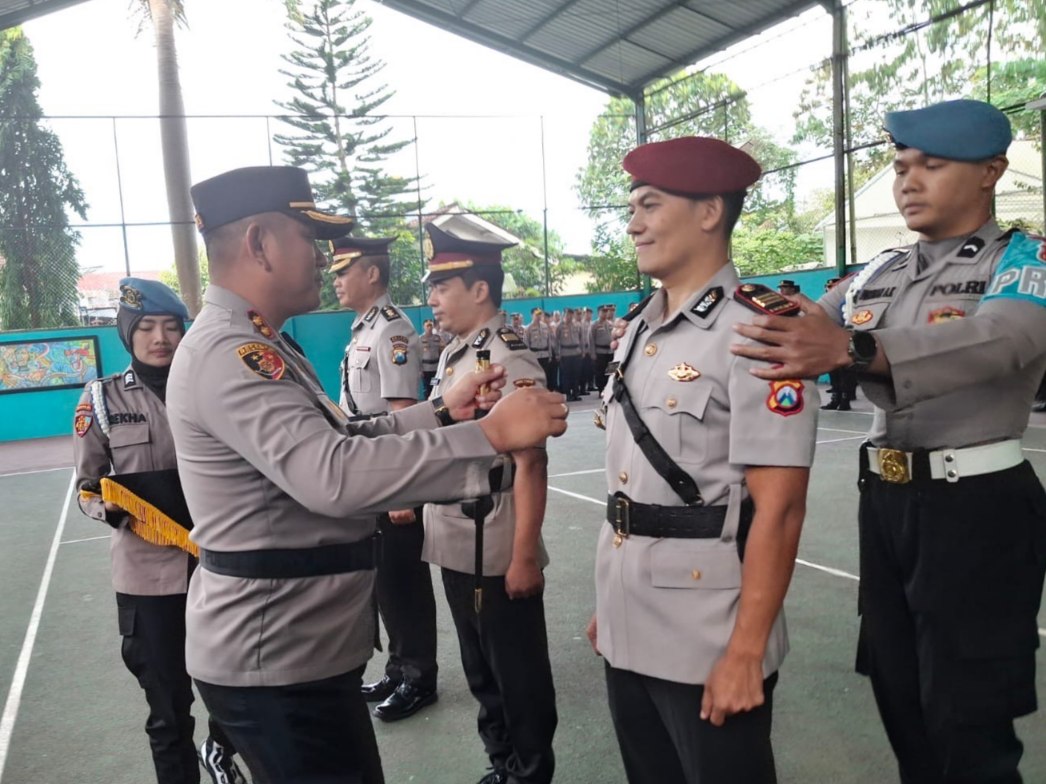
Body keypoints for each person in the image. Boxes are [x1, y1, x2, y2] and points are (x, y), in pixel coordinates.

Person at [167, 165, 569, 784]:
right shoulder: (231, 352)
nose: (323, 256)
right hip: (275, 651)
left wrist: (440, 412)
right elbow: (333, 475)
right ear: (258, 244)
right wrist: (487, 433)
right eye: (308, 236)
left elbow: (343, 438)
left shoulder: (260, 343)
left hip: (295, 647)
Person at [732, 99, 1046, 783]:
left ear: (991, 171)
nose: (908, 179)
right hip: (888, 503)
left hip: (979, 509)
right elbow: (810, 324)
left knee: (970, 720)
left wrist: (852, 345)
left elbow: (1001, 340)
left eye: (931, 165)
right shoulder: (880, 272)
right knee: (900, 696)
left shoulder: (1025, 259)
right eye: (902, 165)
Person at [586, 136, 818, 784]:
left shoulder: (759, 330)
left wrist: (746, 652)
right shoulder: (638, 329)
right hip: (629, 625)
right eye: (631, 206)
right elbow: (631, 488)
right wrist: (614, 604)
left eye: (649, 204)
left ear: (710, 212)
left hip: (709, 638)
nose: (633, 222)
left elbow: (780, 507)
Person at [72, 278, 247, 784]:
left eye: (171, 326)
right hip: (148, 579)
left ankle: (219, 750)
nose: (161, 337)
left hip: (220, 565)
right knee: (168, 709)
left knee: (239, 686)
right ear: (129, 334)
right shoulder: (100, 401)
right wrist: (112, 508)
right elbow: (86, 487)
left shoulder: (211, 389)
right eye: (147, 327)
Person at [423, 223, 558, 784]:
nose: (431, 299)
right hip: (457, 536)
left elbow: (531, 464)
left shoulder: (508, 359)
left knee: (517, 675)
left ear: (480, 290)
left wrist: (524, 556)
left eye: (441, 286)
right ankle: (502, 764)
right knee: (481, 671)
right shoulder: (459, 352)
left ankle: (528, 772)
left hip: (496, 539)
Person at [329, 234, 439, 721]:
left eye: (343, 271)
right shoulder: (362, 330)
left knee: (403, 577)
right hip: (366, 465)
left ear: (371, 274)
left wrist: (403, 489)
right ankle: (397, 668)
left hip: (388, 472)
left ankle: (419, 676)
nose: (335, 281)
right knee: (383, 579)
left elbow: (401, 410)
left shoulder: (392, 331)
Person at [820, 276, 857, 411]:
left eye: (833, 287)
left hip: (845, 341)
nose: (830, 289)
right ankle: (835, 399)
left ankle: (845, 400)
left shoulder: (849, 300)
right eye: (829, 287)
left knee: (846, 373)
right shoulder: (826, 304)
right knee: (833, 373)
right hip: (830, 342)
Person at [555, 308, 583, 401]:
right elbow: (556, 341)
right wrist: (557, 354)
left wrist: (582, 351)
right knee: (566, 375)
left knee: (576, 374)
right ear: (564, 315)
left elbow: (581, 338)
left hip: (576, 352)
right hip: (565, 353)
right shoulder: (560, 327)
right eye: (567, 315)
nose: (569, 317)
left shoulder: (577, 325)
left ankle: (576, 393)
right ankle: (568, 394)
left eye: (571, 315)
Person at [524, 307, 554, 390]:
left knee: (545, 375)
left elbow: (549, 341)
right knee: (536, 377)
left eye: (540, 314)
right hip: (535, 356)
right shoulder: (528, 328)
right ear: (532, 315)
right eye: (536, 315)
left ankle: (545, 392)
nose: (538, 316)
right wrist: (529, 358)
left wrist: (550, 354)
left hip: (545, 355)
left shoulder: (545, 326)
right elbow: (527, 344)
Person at [591, 304, 614, 392]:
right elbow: (591, 339)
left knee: (611, 371)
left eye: (606, 312)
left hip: (610, 351)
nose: (605, 314)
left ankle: (610, 389)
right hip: (600, 352)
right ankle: (601, 389)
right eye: (603, 312)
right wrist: (593, 353)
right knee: (600, 372)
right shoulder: (594, 325)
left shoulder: (610, 324)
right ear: (598, 313)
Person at [420, 318, 444, 398]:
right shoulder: (420, 339)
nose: (429, 327)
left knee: (435, 386)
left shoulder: (437, 338)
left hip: (435, 368)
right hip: (425, 369)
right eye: (427, 326)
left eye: (431, 325)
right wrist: (420, 369)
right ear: (423, 327)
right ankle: (427, 405)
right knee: (427, 388)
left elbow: (441, 352)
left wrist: (441, 367)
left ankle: (434, 405)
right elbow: (417, 355)